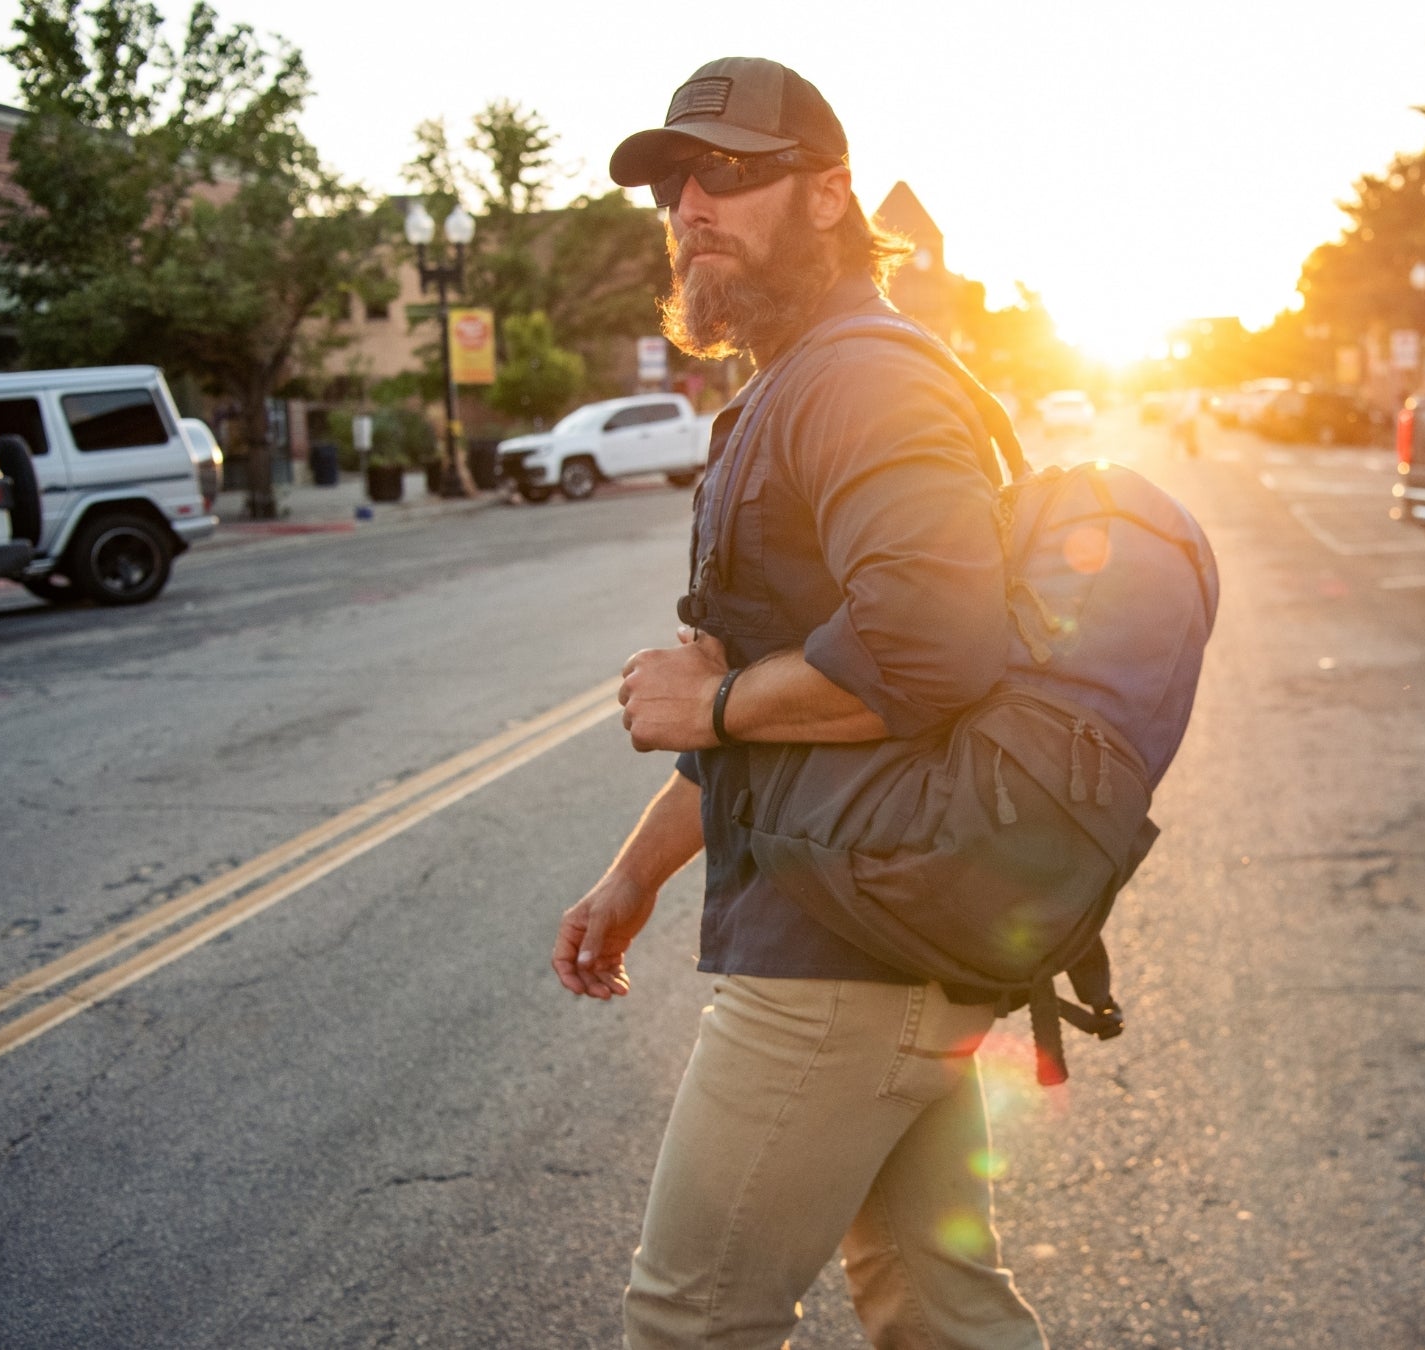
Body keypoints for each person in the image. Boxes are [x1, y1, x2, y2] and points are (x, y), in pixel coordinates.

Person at [551, 57, 1048, 1350]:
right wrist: (635, 874)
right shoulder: (788, 384)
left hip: (846, 945)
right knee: (939, 1311)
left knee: (689, 1319)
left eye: (726, 172)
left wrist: (711, 708)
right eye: (672, 183)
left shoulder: (863, 377)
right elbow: (772, 708)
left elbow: (926, 647)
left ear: (830, 194)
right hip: (889, 936)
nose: (689, 205)